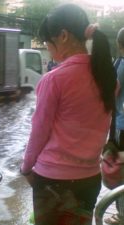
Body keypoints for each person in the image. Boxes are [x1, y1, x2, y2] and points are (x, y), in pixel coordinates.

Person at [20, 4, 117, 225]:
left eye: (48, 43)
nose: (49, 49)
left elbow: (39, 132)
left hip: (52, 180)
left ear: (63, 36)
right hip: (90, 178)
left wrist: (26, 168)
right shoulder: (108, 78)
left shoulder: (54, 79)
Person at [104, 27, 124, 225]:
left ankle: (122, 215)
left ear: (119, 45)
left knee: (121, 171)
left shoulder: (121, 65)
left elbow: (111, 97)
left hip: (122, 127)